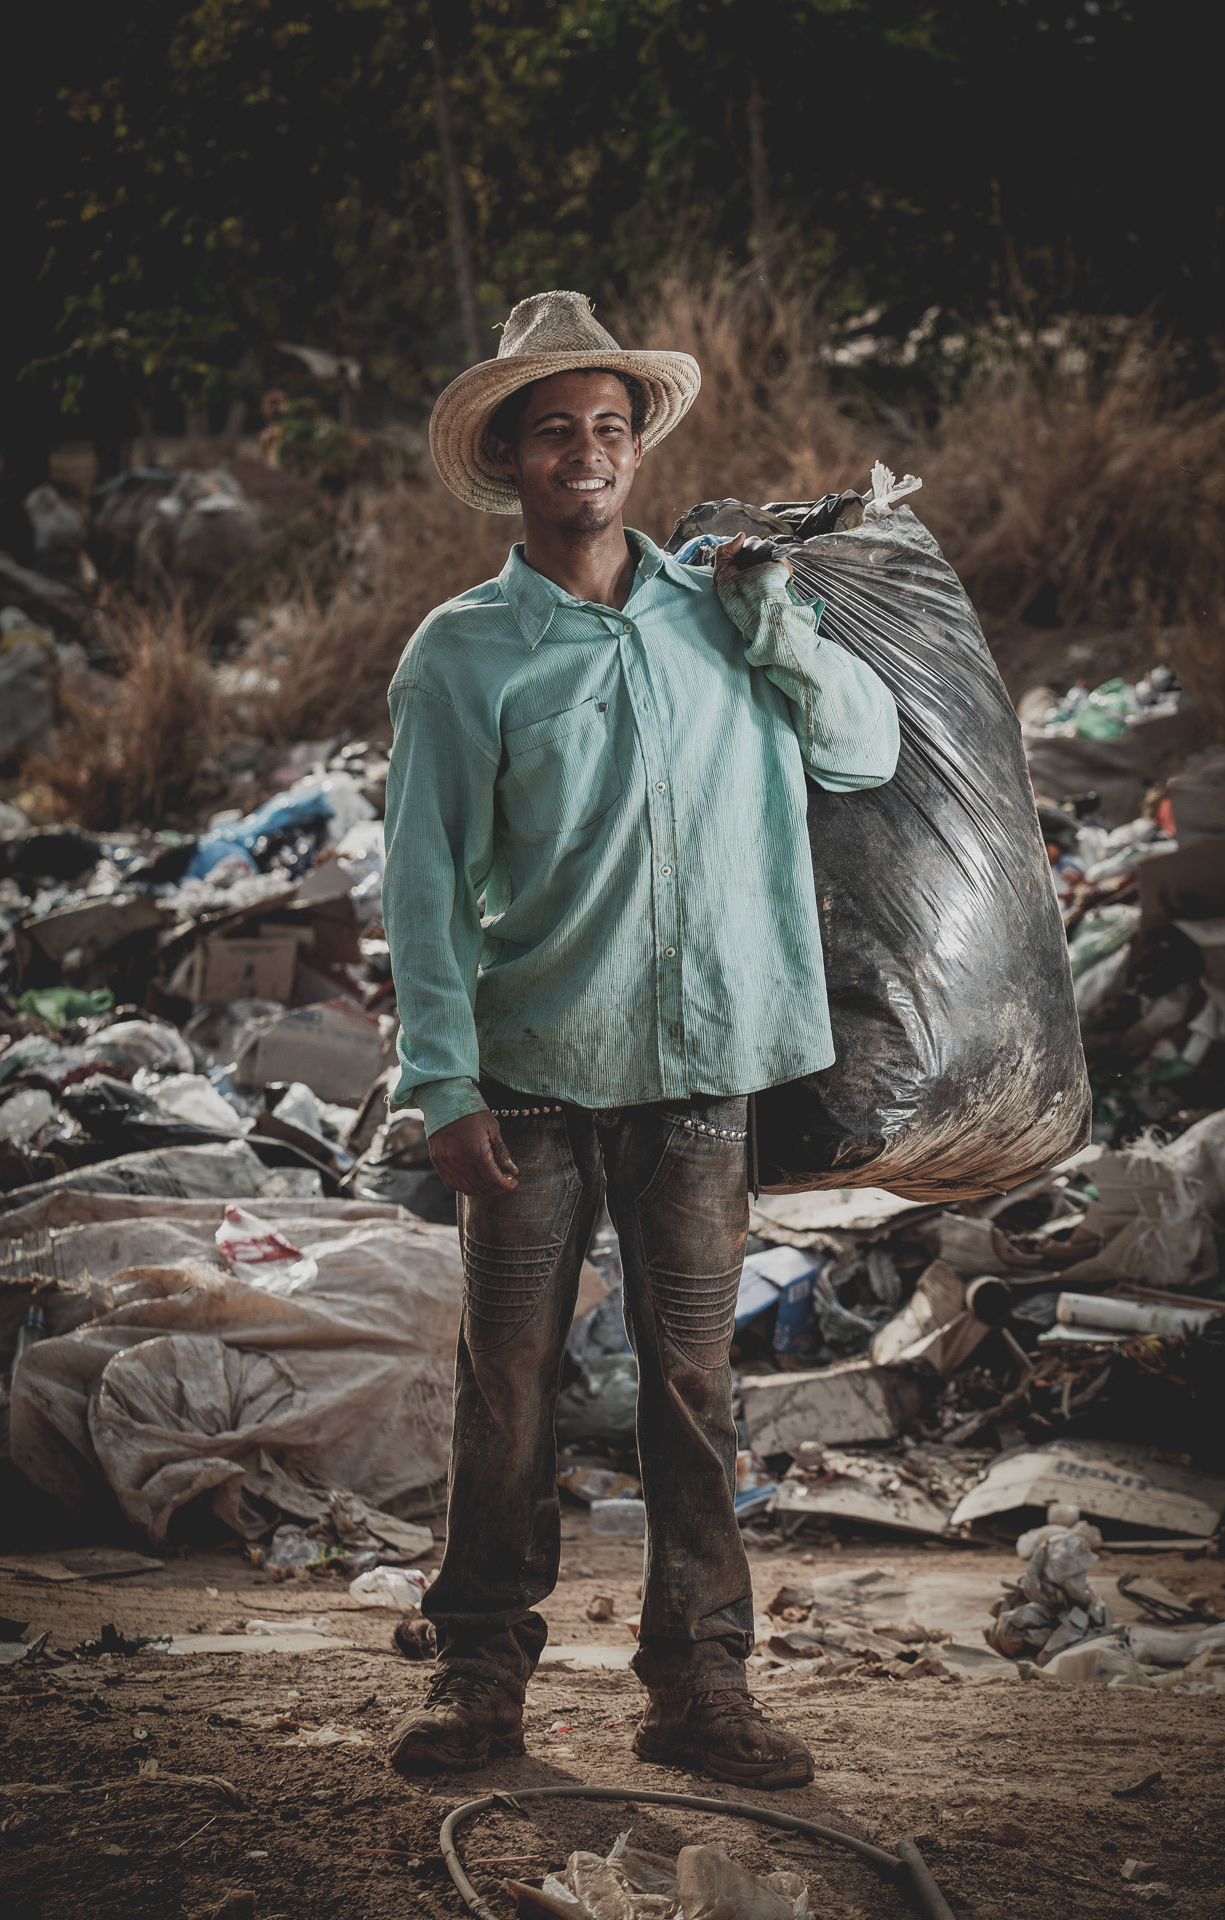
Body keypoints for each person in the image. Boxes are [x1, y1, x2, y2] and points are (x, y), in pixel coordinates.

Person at [382, 290, 900, 1786]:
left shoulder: (718, 610)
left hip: (700, 1075)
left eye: (610, 429)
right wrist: (439, 1082)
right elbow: (420, 886)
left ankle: (699, 1687)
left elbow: (860, 747)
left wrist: (773, 620)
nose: (590, 457)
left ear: (634, 449)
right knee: (511, 1383)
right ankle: (481, 1676)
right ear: (511, 459)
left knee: (690, 1388)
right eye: (558, 434)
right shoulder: (462, 655)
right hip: (533, 1078)